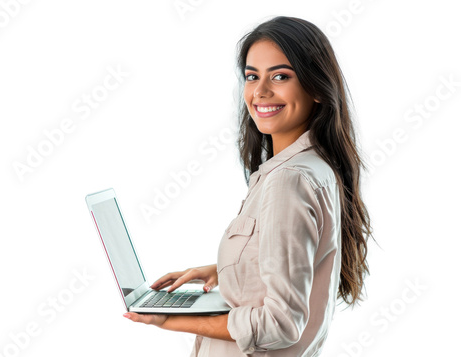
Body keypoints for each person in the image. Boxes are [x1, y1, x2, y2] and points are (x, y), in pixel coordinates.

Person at [123, 15, 374, 356]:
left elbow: (280, 324)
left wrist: (167, 319)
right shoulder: (311, 166)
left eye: (281, 76)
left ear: (316, 88)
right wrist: (224, 270)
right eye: (252, 76)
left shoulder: (290, 179)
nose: (260, 92)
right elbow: (297, 260)